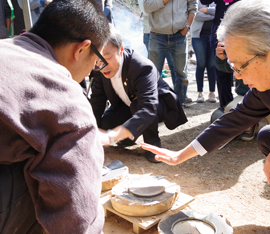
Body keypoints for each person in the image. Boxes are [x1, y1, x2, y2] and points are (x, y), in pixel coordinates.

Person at [141, 0, 270, 232]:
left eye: (240, 66)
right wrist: (180, 155)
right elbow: (235, 119)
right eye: (233, 66)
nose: (238, 77)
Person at [0, 0, 109, 233]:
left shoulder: (6, 48)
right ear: (82, 49)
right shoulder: (62, 94)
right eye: (97, 61)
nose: (93, 69)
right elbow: (76, 215)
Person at [89, 25, 187, 163]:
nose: (101, 65)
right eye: (97, 60)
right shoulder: (99, 69)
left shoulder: (142, 67)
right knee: (104, 124)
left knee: (138, 106)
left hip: (156, 104)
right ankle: (129, 138)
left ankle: (152, 144)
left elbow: (148, 108)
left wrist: (112, 136)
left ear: (121, 49)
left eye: (106, 57)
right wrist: (90, 131)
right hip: (126, 105)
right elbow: (97, 100)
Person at [143, 0, 197, 105]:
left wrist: (187, 27)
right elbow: (146, 7)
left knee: (181, 74)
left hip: (180, 35)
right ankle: (155, 109)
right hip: (157, 35)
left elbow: (193, 6)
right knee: (153, 75)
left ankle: (178, 108)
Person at [191, 1, 217, 103]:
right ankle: (200, 93)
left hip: (214, 36)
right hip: (198, 37)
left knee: (211, 65)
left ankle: (212, 93)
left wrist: (206, 11)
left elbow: (220, 11)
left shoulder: (216, 1)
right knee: (201, 64)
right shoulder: (196, 1)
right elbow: (195, 15)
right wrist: (213, 16)